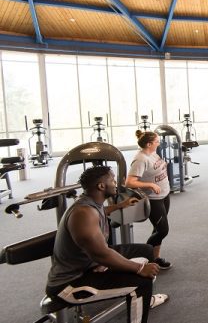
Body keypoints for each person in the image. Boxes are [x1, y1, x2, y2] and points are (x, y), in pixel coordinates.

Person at [46, 166, 168, 323]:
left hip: (90, 263)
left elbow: (101, 211)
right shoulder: (83, 213)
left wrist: (119, 206)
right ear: (101, 186)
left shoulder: (91, 203)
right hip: (72, 282)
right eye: (112, 179)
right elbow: (102, 254)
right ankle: (142, 301)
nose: (116, 183)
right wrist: (140, 268)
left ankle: (145, 299)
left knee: (145, 250)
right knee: (141, 282)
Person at [125, 131, 172, 270]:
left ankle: (155, 258)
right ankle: (142, 256)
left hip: (164, 195)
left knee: (157, 229)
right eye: (157, 141)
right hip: (153, 199)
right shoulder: (140, 159)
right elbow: (129, 182)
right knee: (163, 230)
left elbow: (155, 168)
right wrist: (150, 185)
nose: (159, 143)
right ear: (149, 144)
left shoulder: (153, 153)